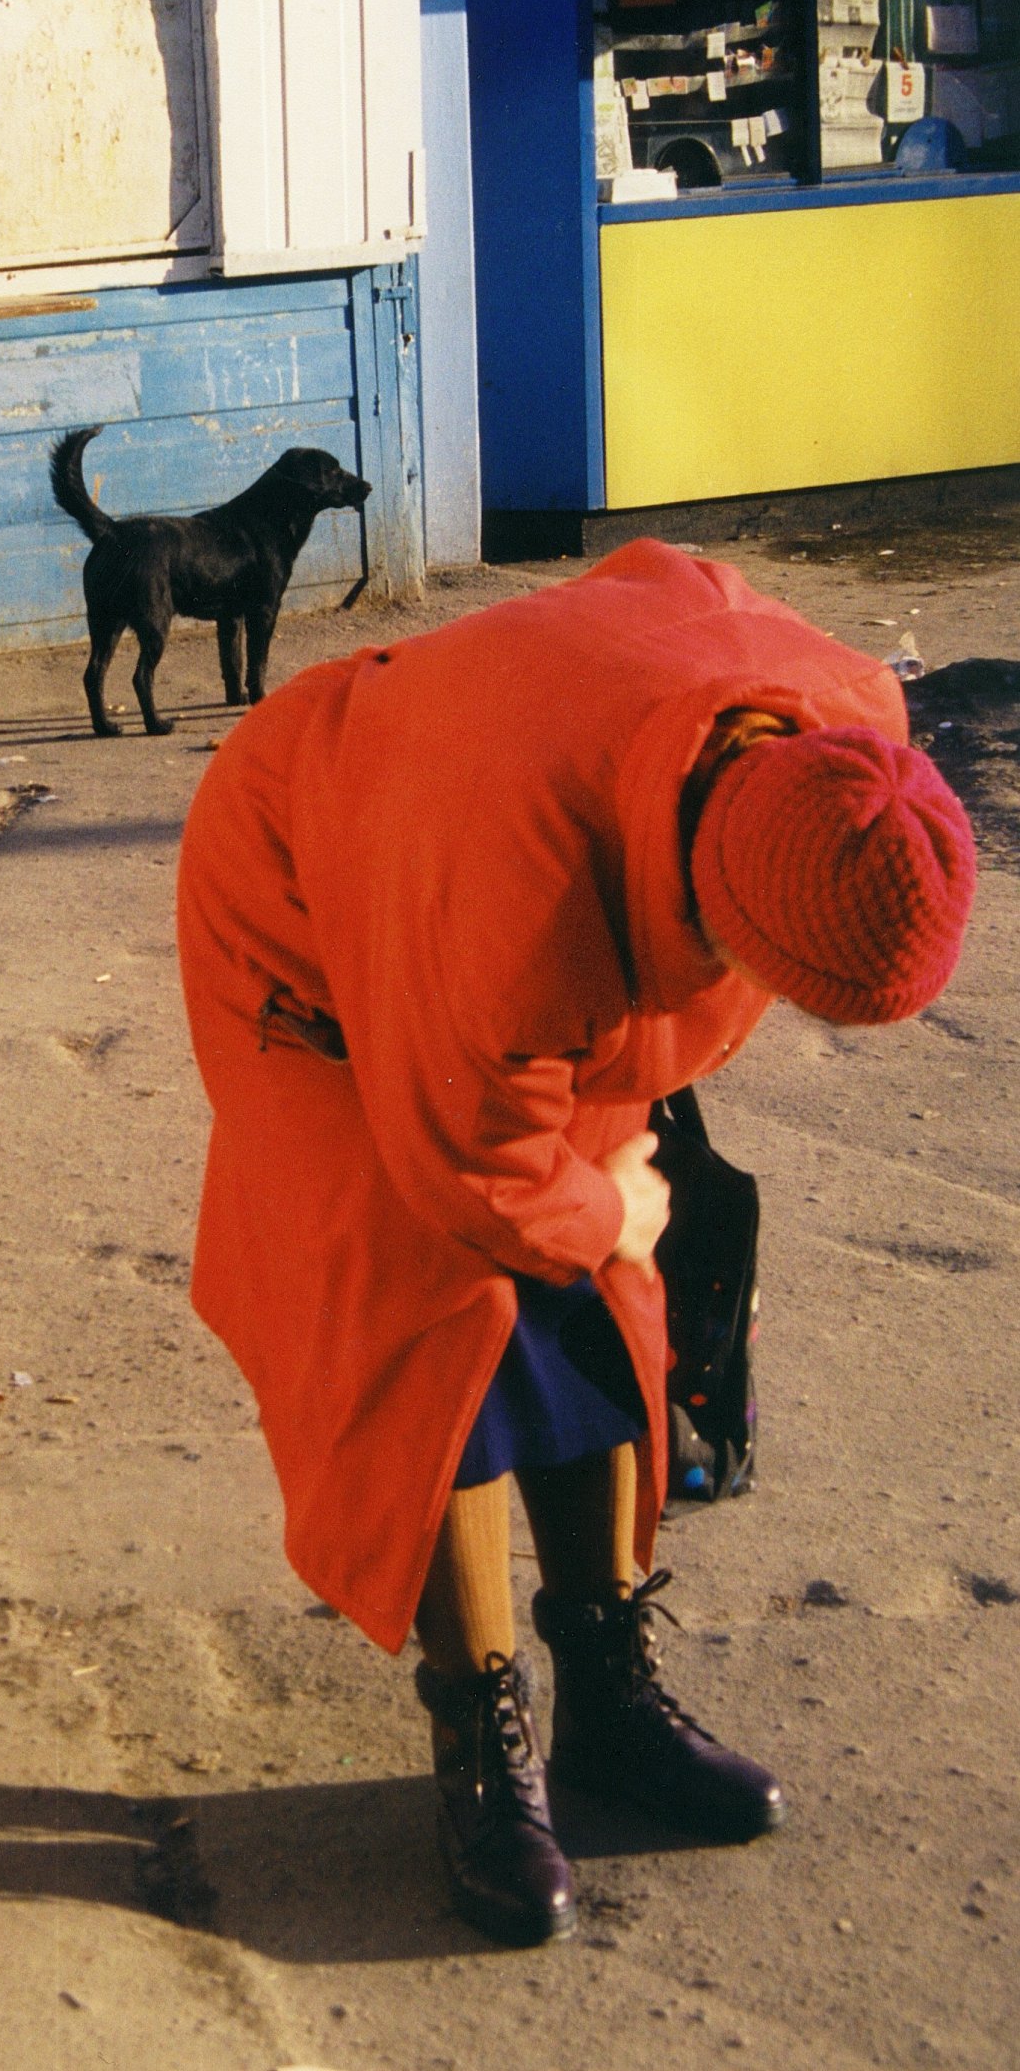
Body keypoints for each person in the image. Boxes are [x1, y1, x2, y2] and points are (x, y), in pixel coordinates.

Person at [176, 542, 976, 1945]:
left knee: (607, 1298)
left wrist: (611, 1207)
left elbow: (667, 580)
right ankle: (480, 1726)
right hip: (311, 882)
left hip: (531, 838)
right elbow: (469, 1164)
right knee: (437, 1313)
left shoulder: (843, 738)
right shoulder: (511, 887)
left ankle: (606, 1689)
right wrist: (611, 1198)